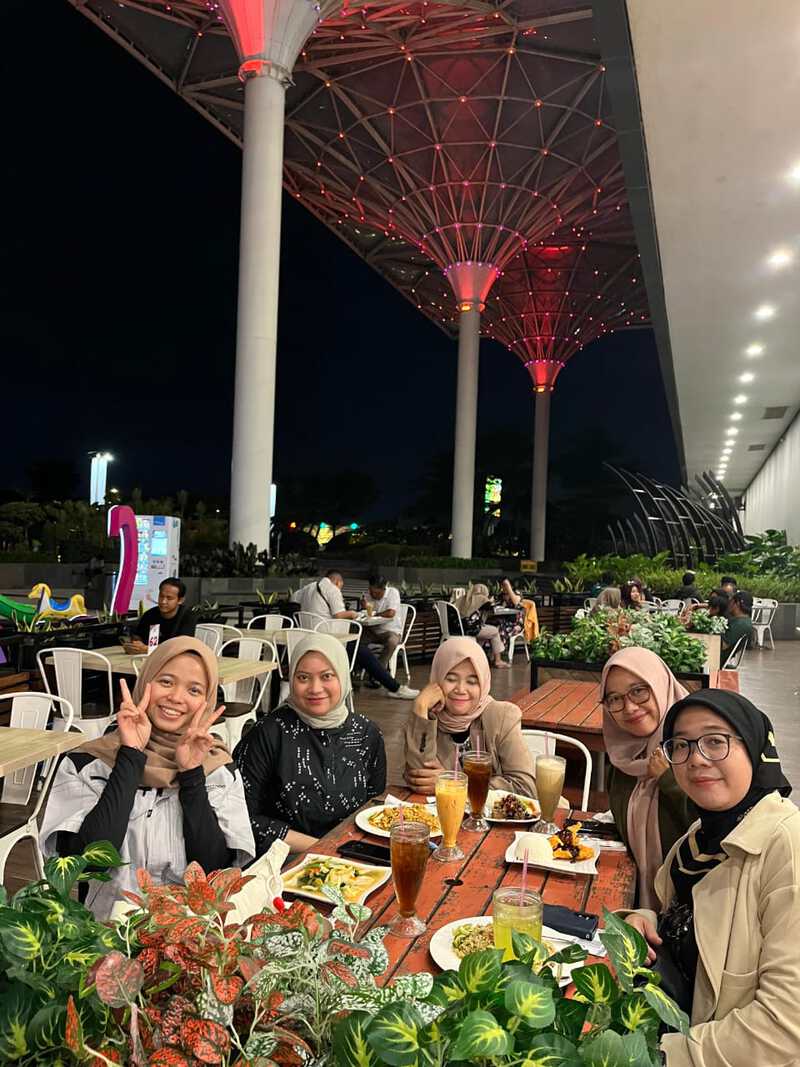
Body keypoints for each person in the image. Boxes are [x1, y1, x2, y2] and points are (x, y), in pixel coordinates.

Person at [622, 691, 799, 1063]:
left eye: (715, 741)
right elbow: (690, 925)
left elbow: (786, 1030)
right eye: (681, 745)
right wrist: (645, 920)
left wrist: (659, 1056)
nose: (696, 759)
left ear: (754, 746)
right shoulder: (698, 842)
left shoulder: (786, 846)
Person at [40, 637, 254, 918]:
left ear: (207, 700)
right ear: (145, 682)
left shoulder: (218, 769)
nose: (176, 697)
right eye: (166, 681)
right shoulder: (88, 762)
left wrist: (191, 774)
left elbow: (214, 872)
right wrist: (130, 755)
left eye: (194, 690)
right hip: (108, 927)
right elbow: (87, 863)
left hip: (189, 929)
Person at [234, 633, 386, 855]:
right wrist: (322, 849)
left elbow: (374, 808)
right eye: (303, 677)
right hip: (284, 859)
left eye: (327, 676)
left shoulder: (365, 733)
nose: (315, 688)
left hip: (352, 857)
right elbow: (241, 818)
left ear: (343, 676)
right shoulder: (268, 733)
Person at [600, 647, 695, 908]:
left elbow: (719, 831)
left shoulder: (697, 749)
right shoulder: (623, 760)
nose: (629, 707)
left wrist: (668, 779)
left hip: (692, 908)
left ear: (660, 684)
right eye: (615, 699)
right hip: (632, 901)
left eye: (639, 691)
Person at [404, 637, 536, 796]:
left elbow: (525, 787)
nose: (460, 689)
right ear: (437, 679)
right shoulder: (427, 718)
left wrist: (453, 784)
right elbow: (419, 779)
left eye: (472, 682)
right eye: (451, 679)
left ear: (483, 683)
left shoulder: (502, 716)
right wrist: (420, 707)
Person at [295, 570, 418, 699]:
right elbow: (339, 615)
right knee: (364, 654)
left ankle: (353, 681)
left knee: (360, 649)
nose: (340, 590)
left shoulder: (307, 588)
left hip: (310, 639)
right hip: (331, 639)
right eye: (341, 587)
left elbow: (293, 599)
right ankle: (395, 688)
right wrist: (353, 613)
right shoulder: (332, 589)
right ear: (338, 582)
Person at [124, 577, 195, 654]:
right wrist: (134, 646)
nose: (163, 601)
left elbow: (182, 647)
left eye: (169, 598)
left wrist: (147, 649)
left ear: (180, 600)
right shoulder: (150, 615)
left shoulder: (188, 617)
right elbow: (138, 636)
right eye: (161, 596)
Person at [452, 584, 509, 669]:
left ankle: (475, 657)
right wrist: (491, 601)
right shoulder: (482, 598)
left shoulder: (463, 598)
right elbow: (492, 608)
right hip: (471, 629)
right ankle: (498, 661)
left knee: (485, 632)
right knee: (494, 631)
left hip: (457, 628)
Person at [362, 575, 403, 669]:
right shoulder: (368, 594)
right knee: (355, 640)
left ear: (384, 589)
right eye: (371, 591)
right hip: (372, 631)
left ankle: (380, 670)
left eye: (377, 593)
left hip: (390, 631)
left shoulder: (392, 593)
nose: (373, 595)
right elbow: (366, 611)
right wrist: (364, 606)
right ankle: (359, 668)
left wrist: (374, 615)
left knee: (392, 642)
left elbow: (391, 613)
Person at [721, 589, 753, 657]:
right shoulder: (743, 621)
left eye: (730, 602)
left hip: (718, 657)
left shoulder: (741, 624)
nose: (728, 605)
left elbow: (724, 645)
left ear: (737, 603)